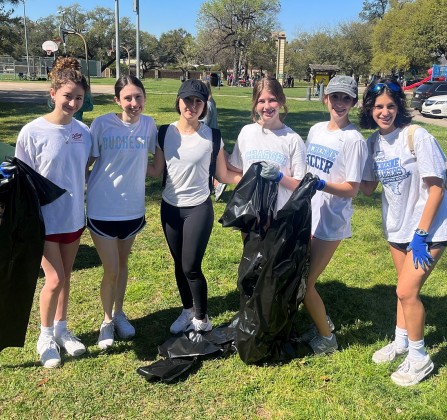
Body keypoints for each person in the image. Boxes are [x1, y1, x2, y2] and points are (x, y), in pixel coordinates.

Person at [359, 77, 447, 386]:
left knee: (406, 291)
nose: (384, 112)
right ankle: (401, 341)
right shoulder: (374, 142)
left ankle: (419, 358)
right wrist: (327, 179)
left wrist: (421, 234)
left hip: (428, 228)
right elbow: (365, 188)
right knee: (402, 289)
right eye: (378, 107)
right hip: (396, 228)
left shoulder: (417, 136)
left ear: (399, 107)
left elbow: (437, 189)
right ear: (370, 110)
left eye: (390, 106)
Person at [15, 57, 92, 368]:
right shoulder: (32, 132)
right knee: (55, 278)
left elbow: (84, 169)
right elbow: (21, 180)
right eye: (67, 96)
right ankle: (44, 336)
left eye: (78, 98)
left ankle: (62, 329)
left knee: (66, 277)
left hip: (73, 217)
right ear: (53, 94)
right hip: (43, 221)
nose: (72, 103)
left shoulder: (84, 131)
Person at [147, 79, 241, 334]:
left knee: (191, 266)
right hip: (169, 208)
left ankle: (202, 318)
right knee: (179, 264)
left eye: (198, 101)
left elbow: (223, 174)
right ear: (178, 101)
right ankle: (187, 310)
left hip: (198, 208)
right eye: (188, 99)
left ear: (205, 106)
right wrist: (122, 164)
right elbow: (156, 170)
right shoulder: (164, 133)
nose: (192, 105)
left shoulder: (212, 136)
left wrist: (253, 179)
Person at [86, 75, 157, 349]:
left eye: (138, 97)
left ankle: (119, 313)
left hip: (132, 209)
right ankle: (106, 320)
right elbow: (87, 163)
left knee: (123, 266)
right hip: (103, 209)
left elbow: (154, 165)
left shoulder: (149, 125)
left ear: (144, 98)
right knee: (111, 269)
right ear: (117, 100)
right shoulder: (102, 124)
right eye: (127, 98)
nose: (134, 103)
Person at [302, 75, 368, 355]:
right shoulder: (316, 130)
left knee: (305, 285)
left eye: (346, 98)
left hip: (331, 222)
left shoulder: (354, 140)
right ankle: (319, 322)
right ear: (325, 97)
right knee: (300, 276)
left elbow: (352, 188)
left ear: (353, 102)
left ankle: (328, 338)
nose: (339, 103)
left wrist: (320, 184)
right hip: (307, 214)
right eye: (335, 97)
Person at [228, 76, 307, 215]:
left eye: (272, 100)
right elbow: (236, 167)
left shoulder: (293, 139)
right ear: (255, 104)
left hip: (279, 218)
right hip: (249, 215)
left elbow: (300, 185)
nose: (267, 106)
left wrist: (279, 177)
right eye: (261, 101)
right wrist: (214, 144)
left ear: (281, 101)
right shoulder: (247, 132)